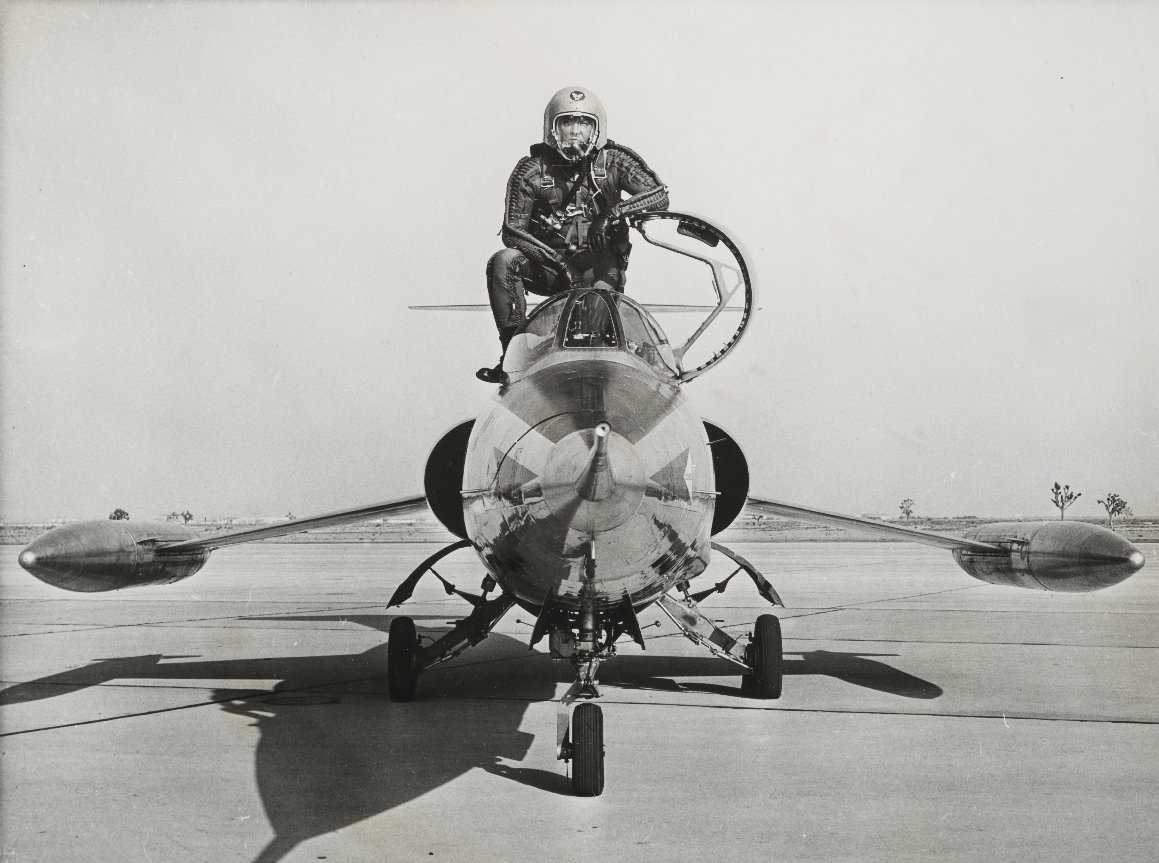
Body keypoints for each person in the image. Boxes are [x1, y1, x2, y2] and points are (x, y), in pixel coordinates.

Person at [476, 86, 669, 383]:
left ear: (597, 129)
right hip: (551, 272)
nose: (575, 131)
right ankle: (512, 357)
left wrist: (613, 214)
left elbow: (658, 196)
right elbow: (513, 231)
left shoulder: (614, 161)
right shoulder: (532, 170)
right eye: (567, 122)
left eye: (583, 123)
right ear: (552, 128)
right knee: (503, 261)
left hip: (599, 271)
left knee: (591, 341)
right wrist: (558, 262)